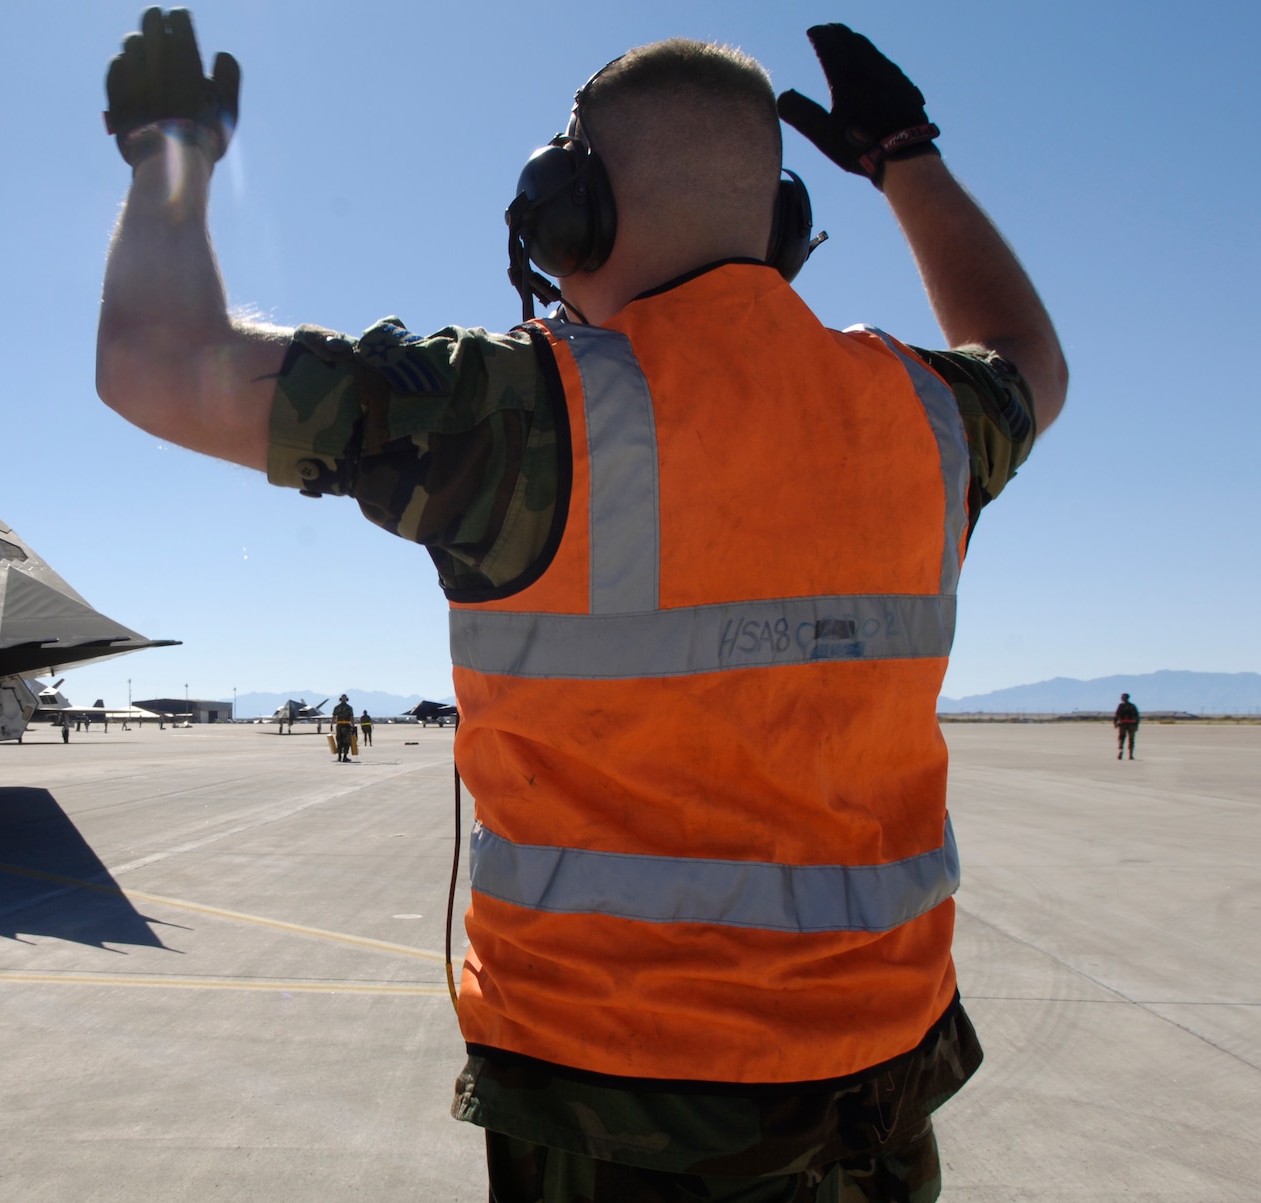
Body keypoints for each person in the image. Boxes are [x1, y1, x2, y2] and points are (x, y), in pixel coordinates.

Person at [96, 12, 1063, 1200]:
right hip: (884, 1083)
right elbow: (1025, 352)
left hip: (625, 1111)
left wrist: (168, 151)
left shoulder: (524, 416)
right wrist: (904, 154)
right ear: (783, 227)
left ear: (569, 212)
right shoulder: (923, 417)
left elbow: (152, 361)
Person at [1115, 692, 1140, 760]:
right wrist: (1115, 722)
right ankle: (1122, 752)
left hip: (1129, 725)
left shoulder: (1131, 706)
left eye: (1123, 697)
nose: (1121, 698)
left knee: (1129, 739)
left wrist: (1136, 725)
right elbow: (1117, 715)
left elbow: (1136, 716)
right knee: (1122, 739)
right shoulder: (1121, 706)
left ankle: (1130, 754)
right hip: (1124, 724)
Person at [331, 694, 356, 762]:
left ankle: (340, 757)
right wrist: (353, 726)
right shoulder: (349, 708)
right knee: (345, 742)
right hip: (346, 726)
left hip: (340, 726)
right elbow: (351, 718)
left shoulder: (337, 707)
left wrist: (331, 724)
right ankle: (343, 757)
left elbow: (334, 717)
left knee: (340, 741)